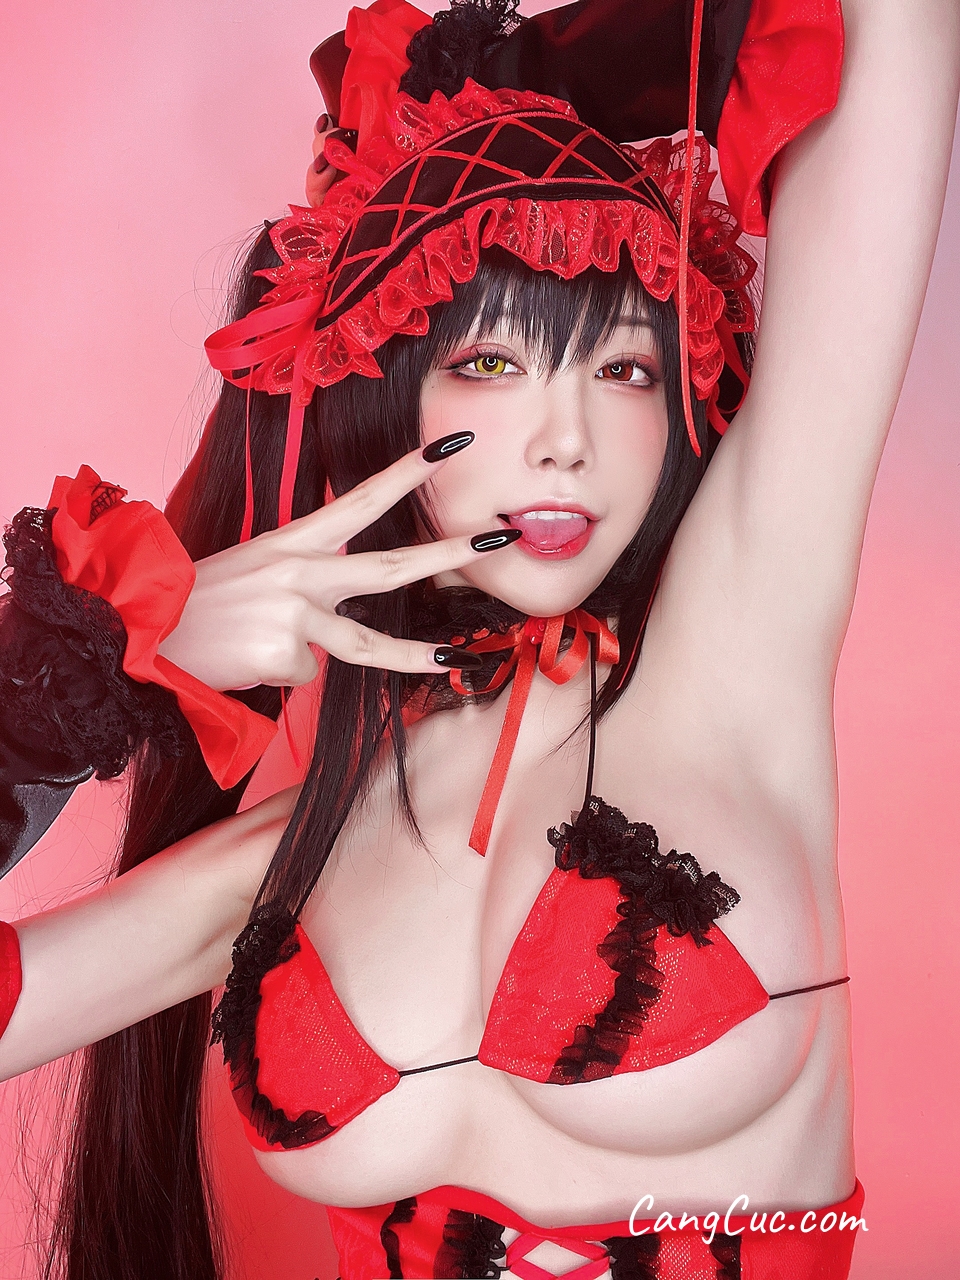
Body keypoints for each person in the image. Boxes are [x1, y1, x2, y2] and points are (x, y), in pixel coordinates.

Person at [0, 2, 957, 1278]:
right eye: (494, 363)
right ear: (388, 396)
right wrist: (77, 686)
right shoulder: (307, 838)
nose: (567, 441)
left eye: (625, 369)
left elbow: (898, 49)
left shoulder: (742, 638)